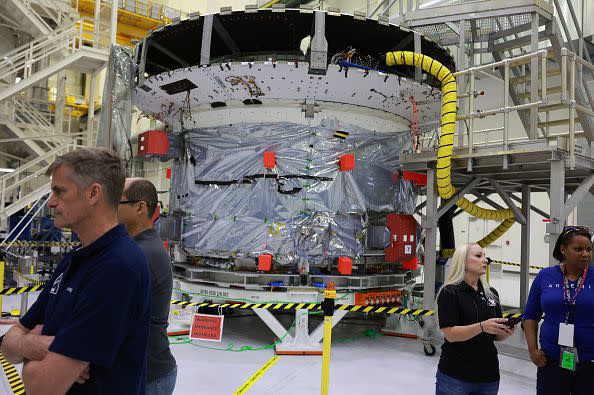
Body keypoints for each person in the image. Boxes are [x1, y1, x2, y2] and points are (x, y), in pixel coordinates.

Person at [1, 148, 151, 395]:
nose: (51, 202)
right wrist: (37, 345)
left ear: (93, 193)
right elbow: (8, 345)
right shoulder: (75, 260)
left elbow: (40, 385)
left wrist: (27, 351)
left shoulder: (117, 268)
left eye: (59, 191)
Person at [118, 178, 177, 395]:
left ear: (140, 207)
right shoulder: (136, 246)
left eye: (116, 200)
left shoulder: (144, 254)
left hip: (149, 378)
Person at [435, 243, 514, 395]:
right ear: (463, 261)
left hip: (488, 376)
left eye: (485, 256)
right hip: (456, 376)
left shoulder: (491, 293)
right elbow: (450, 334)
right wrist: (481, 326)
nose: (485, 260)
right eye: (478, 256)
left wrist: (506, 331)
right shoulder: (450, 292)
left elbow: (496, 336)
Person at [523, 225, 594, 395]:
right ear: (563, 249)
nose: (585, 254)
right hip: (551, 360)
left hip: (590, 362)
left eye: (589, 249)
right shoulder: (545, 276)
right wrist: (533, 349)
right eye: (578, 249)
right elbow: (530, 315)